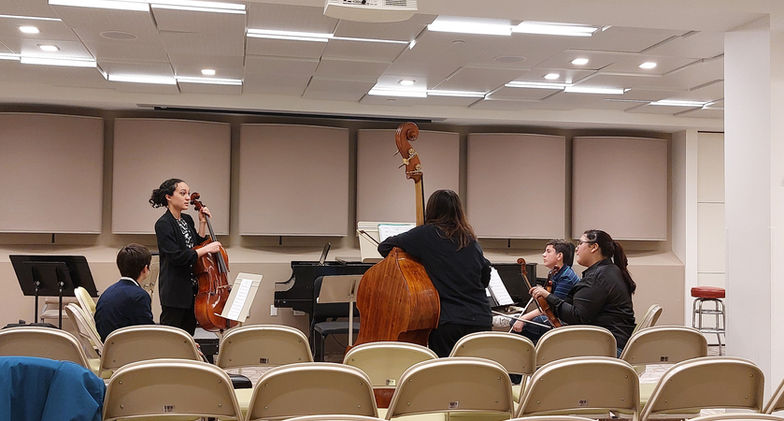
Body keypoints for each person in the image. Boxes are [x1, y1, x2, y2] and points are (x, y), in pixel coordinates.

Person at [377, 189, 492, 357]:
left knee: (446, 378)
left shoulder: (426, 233)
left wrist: (413, 263)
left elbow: (384, 247)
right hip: (481, 319)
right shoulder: (469, 239)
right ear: (458, 211)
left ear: (431, 210)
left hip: (449, 322)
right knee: (475, 376)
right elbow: (485, 275)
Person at [530, 229, 636, 355]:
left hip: (608, 346)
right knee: (535, 327)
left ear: (594, 247)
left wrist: (548, 296)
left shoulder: (598, 277)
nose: (576, 249)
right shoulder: (609, 270)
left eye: (580, 243)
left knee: (529, 333)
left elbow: (577, 317)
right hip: (612, 340)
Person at [149, 178, 222, 335]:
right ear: (169, 197)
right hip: (175, 292)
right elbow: (177, 257)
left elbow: (196, 247)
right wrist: (208, 248)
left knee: (188, 337)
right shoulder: (163, 224)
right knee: (171, 339)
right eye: (183, 193)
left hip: (192, 292)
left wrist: (202, 223)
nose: (188, 197)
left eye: (188, 193)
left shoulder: (187, 219)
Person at [510, 239, 580, 343]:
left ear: (559, 256)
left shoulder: (566, 277)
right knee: (518, 321)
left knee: (517, 322)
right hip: (553, 316)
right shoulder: (556, 273)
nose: (543, 255)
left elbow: (552, 307)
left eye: (548, 251)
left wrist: (523, 318)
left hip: (561, 322)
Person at [94, 243, 155, 341]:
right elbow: (147, 332)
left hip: (108, 348)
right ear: (145, 268)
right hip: (128, 350)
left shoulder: (108, 292)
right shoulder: (140, 296)